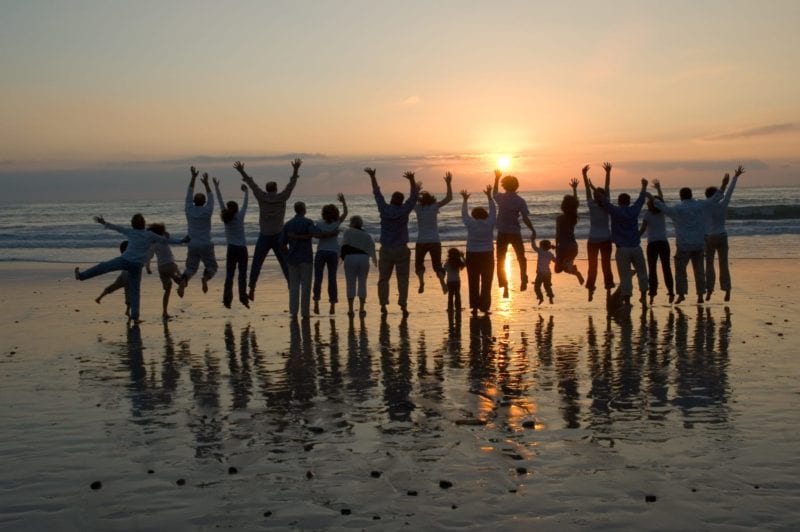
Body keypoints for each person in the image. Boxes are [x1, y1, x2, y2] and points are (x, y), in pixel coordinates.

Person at [75, 213, 168, 323]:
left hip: (125, 261)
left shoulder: (132, 232)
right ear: (143, 223)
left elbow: (117, 228)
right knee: (135, 292)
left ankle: (82, 276)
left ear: (132, 224)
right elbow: (166, 240)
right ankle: (135, 317)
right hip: (136, 266)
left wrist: (104, 222)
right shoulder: (149, 235)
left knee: (103, 267)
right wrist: (182, 241)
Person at [234, 158, 301, 300]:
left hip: (264, 235)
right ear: (276, 189)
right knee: (285, 263)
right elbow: (291, 185)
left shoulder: (261, 196)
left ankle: (252, 288)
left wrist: (241, 170)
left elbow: (252, 184)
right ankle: (292, 287)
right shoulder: (282, 197)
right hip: (278, 235)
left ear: (266, 189)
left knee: (257, 263)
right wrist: (295, 169)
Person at [654, 175, 727, 304]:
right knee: (699, 270)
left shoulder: (678, 208)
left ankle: (681, 294)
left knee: (681, 270)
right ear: (691, 195)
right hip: (699, 243)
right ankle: (700, 295)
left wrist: (654, 199)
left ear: (681, 196)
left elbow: (664, 208)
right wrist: (723, 185)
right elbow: (715, 199)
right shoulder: (700, 205)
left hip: (684, 245)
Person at [366, 167, 419, 317]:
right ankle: (403, 303)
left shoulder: (384, 209)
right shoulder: (404, 210)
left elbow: (377, 193)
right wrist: (412, 180)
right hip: (401, 248)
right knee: (403, 278)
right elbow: (414, 196)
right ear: (401, 201)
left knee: (384, 278)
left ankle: (383, 304)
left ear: (391, 200)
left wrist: (373, 177)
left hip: (386, 249)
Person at [601, 179, 649, 307]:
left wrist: (594, 188)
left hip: (622, 249)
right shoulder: (634, 210)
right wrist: (644, 186)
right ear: (628, 202)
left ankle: (627, 300)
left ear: (619, 201)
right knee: (642, 273)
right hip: (635, 247)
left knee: (625, 276)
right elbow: (641, 200)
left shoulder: (615, 211)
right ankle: (643, 296)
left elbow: (604, 201)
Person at [492, 170, 536, 298]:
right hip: (515, 233)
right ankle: (523, 277)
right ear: (516, 186)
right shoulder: (520, 201)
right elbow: (525, 218)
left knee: (501, 260)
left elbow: (494, 193)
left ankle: (504, 286)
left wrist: (496, 178)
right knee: (521, 257)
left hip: (503, 233)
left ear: (504, 185)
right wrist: (532, 229)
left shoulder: (501, 198)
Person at [705, 165, 744, 301]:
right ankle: (727, 290)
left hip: (709, 237)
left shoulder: (705, 206)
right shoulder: (723, 204)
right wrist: (735, 178)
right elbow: (729, 192)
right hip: (722, 235)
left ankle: (709, 291)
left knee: (709, 265)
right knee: (723, 264)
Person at [177, 167, 216, 297]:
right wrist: (206, 183)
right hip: (206, 243)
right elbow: (211, 197)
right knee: (212, 267)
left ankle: (183, 281)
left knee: (191, 268)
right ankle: (205, 278)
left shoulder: (189, 209)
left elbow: (189, 193)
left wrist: (193, 177)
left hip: (193, 243)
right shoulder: (208, 210)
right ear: (204, 202)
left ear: (194, 202)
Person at [413, 171, 453, 294]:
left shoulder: (418, 208)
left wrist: (415, 188)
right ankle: (441, 280)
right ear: (432, 199)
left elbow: (411, 200)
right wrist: (448, 183)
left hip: (421, 241)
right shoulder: (434, 206)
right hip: (435, 241)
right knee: (437, 265)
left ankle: (421, 282)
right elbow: (449, 198)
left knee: (419, 263)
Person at [213, 177, 249, 309]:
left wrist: (216, 186)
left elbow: (220, 200)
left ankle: (227, 299)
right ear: (237, 208)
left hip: (231, 249)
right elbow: (246, 203)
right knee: (242, 274)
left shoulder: (226, 217)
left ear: (228, 209)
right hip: (242, 249)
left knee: (229, 275)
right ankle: (243, 297)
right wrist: (246, 192)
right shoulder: (240, 216)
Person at [281, 201, 321, 320]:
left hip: (292, 258)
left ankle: (293, 312)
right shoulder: (308, 222)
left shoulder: (288, 224)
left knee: (293, 286)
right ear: (304, 210)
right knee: (306, 287)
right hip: (306, 257)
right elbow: (317, 234)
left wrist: (288, 255)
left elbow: (282, 244)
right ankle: (305, 312)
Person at [582, 163, 615, 301]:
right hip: (605, 239)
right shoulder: (606, 205)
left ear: (596, 196)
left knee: (592, 265)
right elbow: (607, 189)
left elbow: (588, 190)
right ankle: (607, 289)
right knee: (605, 264)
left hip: (593, 240)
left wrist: (584, 175)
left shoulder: (592, 205)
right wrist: (608, 173)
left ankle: (590, 288)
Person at [461, 186, 496, 316]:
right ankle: (485, 307)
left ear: (474, 215)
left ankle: (474, 307)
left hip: (472, 254)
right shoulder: (490, 223)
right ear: (485, 215)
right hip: (487, 254)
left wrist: (465, 200)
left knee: (473, 280)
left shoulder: (470, 223)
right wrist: (489, 196)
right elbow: (494, 211)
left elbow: (464, 214)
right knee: (487, 281)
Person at [639, 179, 674, 304]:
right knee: (666, 268)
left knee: (652, 269)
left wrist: (635, 237)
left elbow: (642, 229)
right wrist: (658, 188)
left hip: (652, 244)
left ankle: (652, 294)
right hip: (663, 243)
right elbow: (661, 200)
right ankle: (670, 291)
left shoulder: (648, 215)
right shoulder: (662, 212)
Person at [313, 193, 348, 315]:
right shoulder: (336, 223)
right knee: (332, 278)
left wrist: (325, 235)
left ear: (324, 213)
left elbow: (316, 235)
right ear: (335, 213)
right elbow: (346, 213)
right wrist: (343, 202)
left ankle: (316, 302)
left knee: (318, 278)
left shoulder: (319, 223)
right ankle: (332, 304)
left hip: (321, 252)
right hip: (333, 252)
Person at [145, 223, 188, 319]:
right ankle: (180, 288)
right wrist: (184, 240)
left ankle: (164, 312)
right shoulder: (164, 238)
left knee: (167, 290)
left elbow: (148, 257)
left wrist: (147, 267)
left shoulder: (152, 244)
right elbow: (169, 237)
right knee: (183, 281)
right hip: (170, 265)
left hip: (161, 268)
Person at [340, 215, 377, 318]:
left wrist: (340, 259)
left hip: (350, 258)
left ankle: (351, 309)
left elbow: (343, 246)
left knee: (350, 283)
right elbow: (371, 248)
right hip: (363, 259)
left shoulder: (348, 232)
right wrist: (374, 260)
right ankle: (361, 309)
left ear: (352, 223)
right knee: (362, 283)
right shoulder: (367, 235)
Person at [555, 179, 585, 285]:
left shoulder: (560, 218)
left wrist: (556, 245)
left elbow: (558, 234)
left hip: (563, 247)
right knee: (566, 267)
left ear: (563, 205)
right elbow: (575, 205)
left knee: (557, 270)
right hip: (573, 247)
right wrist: (575, 189)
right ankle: (572, 268)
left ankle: (570, 267)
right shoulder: (573, 217)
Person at [95, 241, 130, 316]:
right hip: (129, 278)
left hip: (123, 275)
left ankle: (100, 297)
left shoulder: (123, 256)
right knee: (129, 295)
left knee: (112, 287)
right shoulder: (130, 255)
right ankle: (127, 311)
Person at [531, 238, 556, 305]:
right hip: (548, 273)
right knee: (547, 286)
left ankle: (540, 297)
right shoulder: (550, 254)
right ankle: (550, 297)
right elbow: (555, 261)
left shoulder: (540, 251)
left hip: (541, 273)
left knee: (537, 286)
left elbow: (533, 246)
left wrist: (532, 239)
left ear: (542, 246)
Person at [443, 247, 465, 312]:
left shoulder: (447, 263)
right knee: (457, 294)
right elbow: (465, 264)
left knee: (450, 295)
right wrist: (462, 257)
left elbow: (444, 269)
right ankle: (458, 307)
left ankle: (450, 308)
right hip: (457, 281)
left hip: (449, 281)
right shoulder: (458, 262)